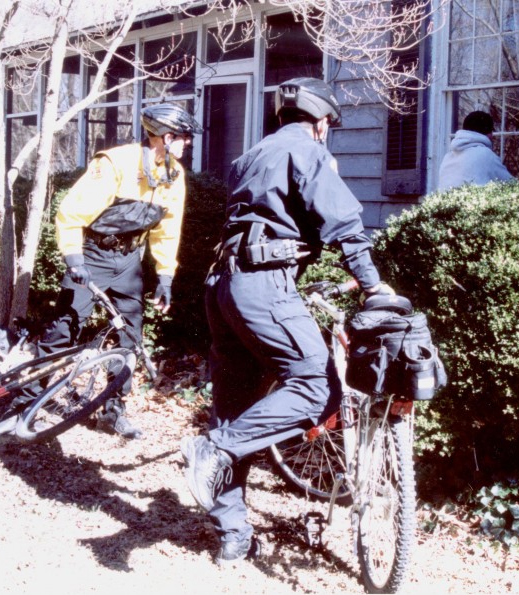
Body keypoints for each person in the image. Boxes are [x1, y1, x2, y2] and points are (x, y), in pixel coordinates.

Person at [180, 77, 394, 564]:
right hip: (262, 284)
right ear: (321, 122)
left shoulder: (250, 156)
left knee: (234, 407)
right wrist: (373, 285)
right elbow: (343, 223)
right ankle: (214, 449)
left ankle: (233, 534)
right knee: (317, 386)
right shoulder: (308, 150)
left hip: (223, 286)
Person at [0, 102, 201, 439]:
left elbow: (167, 229)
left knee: (129, 338)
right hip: (93, 255)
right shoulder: (116, 163)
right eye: (183, 137)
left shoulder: (173, 175)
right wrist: (75, 259)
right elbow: (71, 212)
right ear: (165, 136)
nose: (187, 143)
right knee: (64, 330)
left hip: (129, 262)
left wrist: (165, 276)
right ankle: (22, 407)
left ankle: (113, 411)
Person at [437, 110, 514, 192]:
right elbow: (512, 185)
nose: (493, 136)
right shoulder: (485, 155)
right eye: (492, 131)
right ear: (488, 133)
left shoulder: (448, 157)